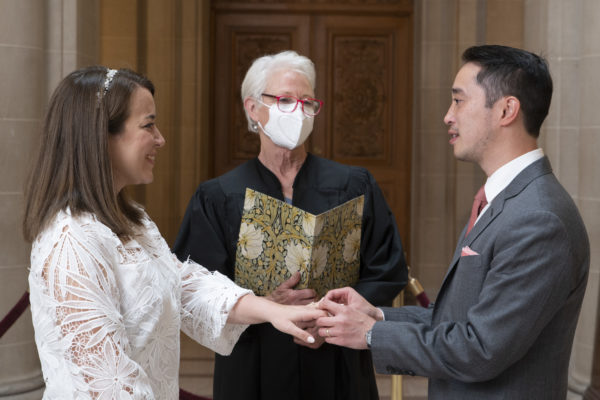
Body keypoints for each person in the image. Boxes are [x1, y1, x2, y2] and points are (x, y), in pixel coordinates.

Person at [22, 66, 325, 399]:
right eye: (148, 125)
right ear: (101, 135)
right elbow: (109, 384)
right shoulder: (72, 241)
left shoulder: (132, 220)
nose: (161, 138)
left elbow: (181, 284)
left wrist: (273, 309)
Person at [316, 44, 590, 399]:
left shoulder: (539, 219)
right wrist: (377, 316)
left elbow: (479, 349)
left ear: (506, 109)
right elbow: (457, 322)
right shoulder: (504, 199)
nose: (448, 116)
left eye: (459, 101)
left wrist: (369, 335)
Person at [173, 50, 407, 400]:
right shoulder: (218, 196)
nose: (298, 111)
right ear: (253, 109)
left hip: (336, 357)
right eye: (285, 100)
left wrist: (336, 313)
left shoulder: (354, 185)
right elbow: (194, 287)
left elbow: (387, 267)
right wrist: (265, 304)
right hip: (255, 363)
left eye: (307, 102)